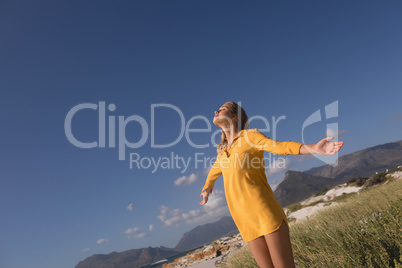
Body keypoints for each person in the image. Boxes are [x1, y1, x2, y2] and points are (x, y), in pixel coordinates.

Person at [200, 101, 344, 268]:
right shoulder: (222, 151)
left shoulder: (250, 136)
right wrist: (207, 188)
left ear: (234, 116)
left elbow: (279, 147)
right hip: (243, 219)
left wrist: (314, 148)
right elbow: (214, 171)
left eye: (222, 109)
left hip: (263, 210)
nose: (216, 110)